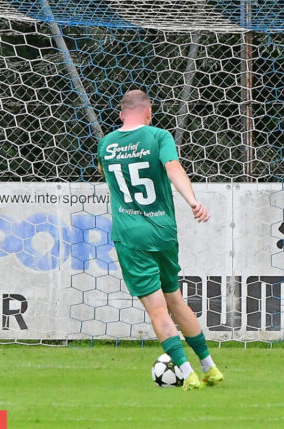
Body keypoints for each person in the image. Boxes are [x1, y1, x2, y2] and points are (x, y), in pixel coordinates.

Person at [97, 89, 225, 390]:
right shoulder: (158, 137)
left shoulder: (106, 144)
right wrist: (192, 201)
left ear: (121, 114)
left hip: (132, 235)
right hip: (164, 231)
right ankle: (210, 367)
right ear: (149, 112)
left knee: (157, 309)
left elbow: (106, 173)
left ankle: (187, 374)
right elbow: (172, 167)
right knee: (175, 299)